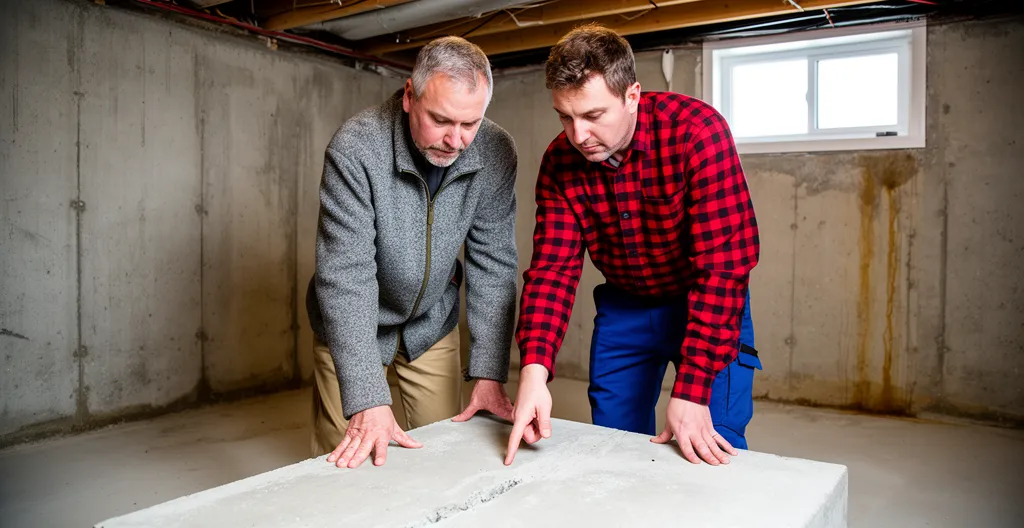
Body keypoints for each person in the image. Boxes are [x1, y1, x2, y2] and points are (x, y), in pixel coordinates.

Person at [506, 25, 762, 467]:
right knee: (615, 447)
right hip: (625, 307)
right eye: (565, 117)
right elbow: (552, 272)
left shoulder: (697, 132)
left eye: (593, 115)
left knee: (712, 444)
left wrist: (692, 390)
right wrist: (533, 374)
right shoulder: (560, 162)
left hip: (704, 302)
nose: (578, 135)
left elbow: (724, 267)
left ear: (632, 96)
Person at [306, 36, 523, 469]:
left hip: (431, 322)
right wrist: (367, 397)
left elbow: (494, 264)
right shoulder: (356, 147)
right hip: (355, 325)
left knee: (441, 455)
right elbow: (345, 274)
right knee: (344, 462)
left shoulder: (496, 150)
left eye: (471, 123)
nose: (456, 140)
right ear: (409, 96)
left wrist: (488, 372)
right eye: (440, 120)